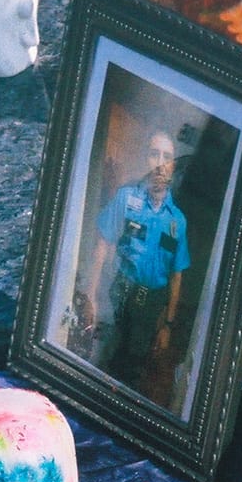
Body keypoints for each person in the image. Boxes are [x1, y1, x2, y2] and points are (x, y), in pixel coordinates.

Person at [83, 129, 190, 398]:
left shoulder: (177, 221)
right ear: (146, 159)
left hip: (151, 303)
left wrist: (167, 324)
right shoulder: (126, 198)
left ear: (174, 165)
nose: (160, 163)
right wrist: (91, 295)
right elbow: (103, 245)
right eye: (154, 154)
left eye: (167, 156)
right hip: (120, 290)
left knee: (134, 368)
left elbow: (177, 276)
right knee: (103, 355)